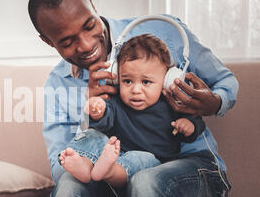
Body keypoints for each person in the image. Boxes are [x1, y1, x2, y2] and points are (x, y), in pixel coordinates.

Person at [28, 0, 238, 197]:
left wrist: (212, 102)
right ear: (47, 41)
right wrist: (90, 111)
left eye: (90, 25)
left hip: (191, 176)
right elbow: (60, 166)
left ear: (92, 3)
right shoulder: (58, 83)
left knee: (148, 181)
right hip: (117, 188)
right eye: (67, 41)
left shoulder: (162, 30)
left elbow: (226, 81)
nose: (87, 44)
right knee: (70, 182)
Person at [58, 34, 206, 187]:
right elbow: (105, 118)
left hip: (153, 162)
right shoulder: (116, 102)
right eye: (127, 81)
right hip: (114, 152)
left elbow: (196, 122)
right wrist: (97, 110)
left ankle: (109, 171)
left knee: (138, 158)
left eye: (146, 82)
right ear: (117, 77)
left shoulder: (172, 105)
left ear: (166, 80)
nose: (135, 90)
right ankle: (84, 163)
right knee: (91, 134)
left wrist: (189, 125)